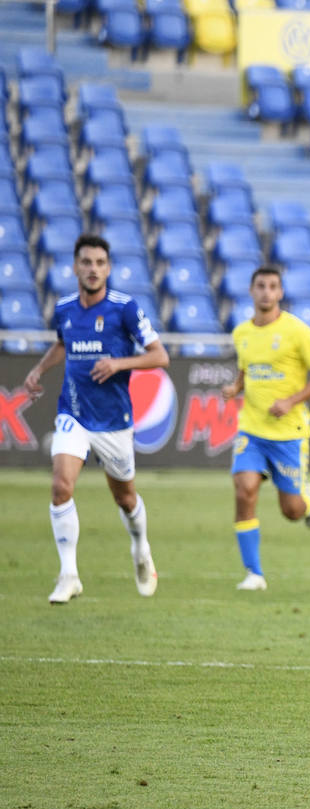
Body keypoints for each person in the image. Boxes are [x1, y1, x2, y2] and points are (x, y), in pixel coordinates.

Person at [23, 235, 169, 604]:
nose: (93, 269)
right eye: (86, 262)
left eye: (100, 263)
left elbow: (160, 356)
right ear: (75, 267)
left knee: (125, 497)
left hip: (114, 421)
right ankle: (68, 574)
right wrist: (39, 369)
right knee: (61, 486)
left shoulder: (124, 308)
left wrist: (120, 363)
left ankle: (141, 549)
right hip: (73, 413)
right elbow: (63, 343)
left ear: (109, 268)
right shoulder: (65, 308)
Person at [221, 266, 310, 590]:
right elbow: (247, 368)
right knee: (244, 491)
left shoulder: (297, 331)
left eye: (273, 286)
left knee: (292, 510)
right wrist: (236, 387)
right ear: (251, 290)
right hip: (252, 430)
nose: (266, 292)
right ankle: (254, 574)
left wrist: (291, 400)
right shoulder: (241, 332)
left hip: (288, 434)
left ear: (281, 292)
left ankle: (309, 500)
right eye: (261, 286)